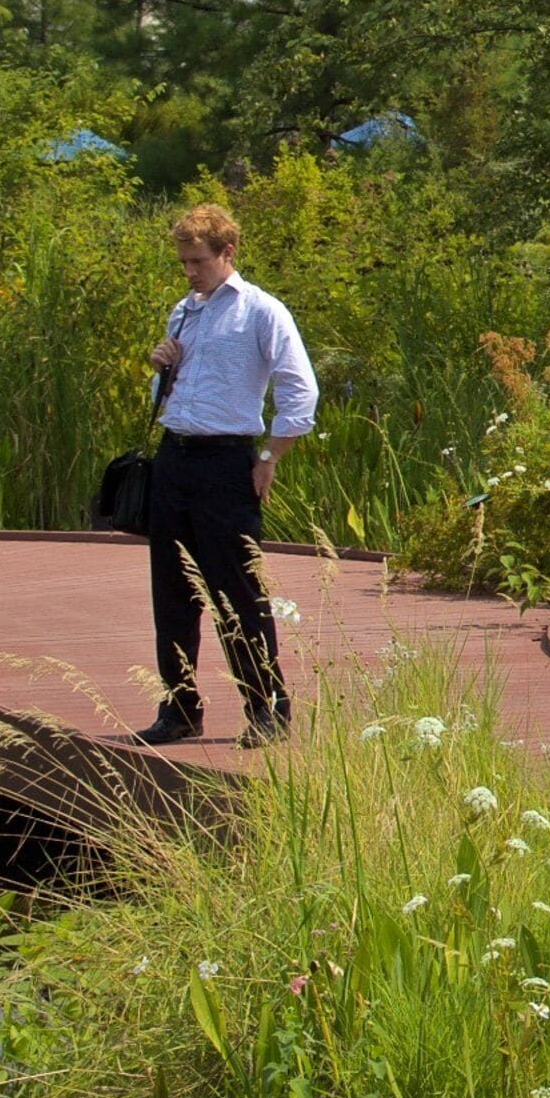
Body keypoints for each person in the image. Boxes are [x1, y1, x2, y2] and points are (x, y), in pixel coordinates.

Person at [136, 203, 317, 747]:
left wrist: (271, 456)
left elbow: (299, 389)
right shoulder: (183, 312)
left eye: (198, 261)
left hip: (226, 463)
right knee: (172, 591)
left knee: (237, 592)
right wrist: (161, 367)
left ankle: (267, 709)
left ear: (227, 253)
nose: (189, 271)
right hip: (175, 456)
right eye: (183, 262)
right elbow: (170, 394)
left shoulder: (262, 311)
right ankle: (179, 708)